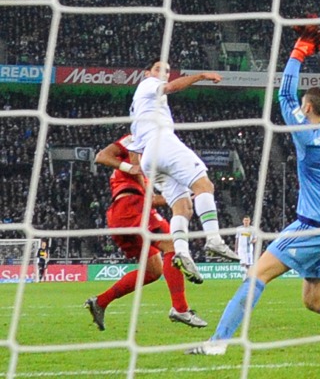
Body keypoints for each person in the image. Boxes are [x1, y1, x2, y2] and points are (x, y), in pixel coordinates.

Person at [187, 22, 320, 355]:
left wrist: (300, 49)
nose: (298, 107)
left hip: (312, 228)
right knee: (315, 300)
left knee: (255, 276)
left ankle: (218, 343)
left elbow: (284, 93)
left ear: (308, 108)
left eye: (302, 105)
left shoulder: (305, 133)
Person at [128, 60, 239, 284]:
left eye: (168, 71)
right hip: (162, 141)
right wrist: (201, 75)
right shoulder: (149, 84)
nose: (164, 74)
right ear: (147, 73)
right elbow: (169, 87)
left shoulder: (138, 108)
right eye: (159, 69)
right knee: (204, 185)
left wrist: (142, 174)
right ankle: (214, 239)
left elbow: (134, 151)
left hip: (149, 158)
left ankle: (182, 252)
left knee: (183, 207)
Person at [84, 135, 207, 331]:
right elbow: (101, 156)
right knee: (173, 247)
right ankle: (180, 308)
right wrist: (129, 168)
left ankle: (100, 302)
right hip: (131, 207)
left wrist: (183, 196)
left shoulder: (148, 166)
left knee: (154, 271)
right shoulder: (136, 139)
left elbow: (153, 199)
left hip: (122, 213)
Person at [235, 216, 258, 281]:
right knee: (242, 263)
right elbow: (237, 239)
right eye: (245, 220)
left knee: (249, 265)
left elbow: (255, 238)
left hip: (249, 249)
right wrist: (236, 249)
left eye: (247, 220)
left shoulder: (252, 229)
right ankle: (244, 278)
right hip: (241, 249)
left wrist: (252, 241)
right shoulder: (239, 229)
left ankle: (249, 277)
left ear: (249, 221)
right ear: (243, 221)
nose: (246, 222)